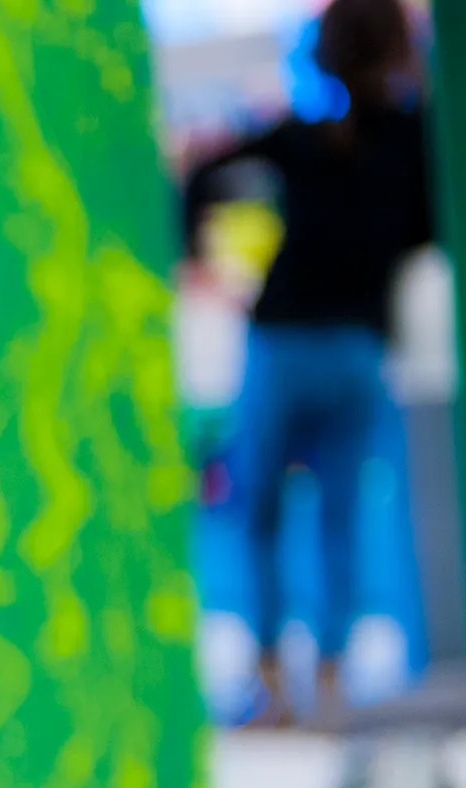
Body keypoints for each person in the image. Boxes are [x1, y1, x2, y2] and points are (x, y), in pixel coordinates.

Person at [184, 0, 438, 724]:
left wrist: (210, 264)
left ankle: (268, 683)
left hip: (284, 341)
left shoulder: (298, 136)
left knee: (257, 510)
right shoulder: (412, 140)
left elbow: (201, 178)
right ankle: (325, 680)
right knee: (339, 515)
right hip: (355, 345)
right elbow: (423, 231)